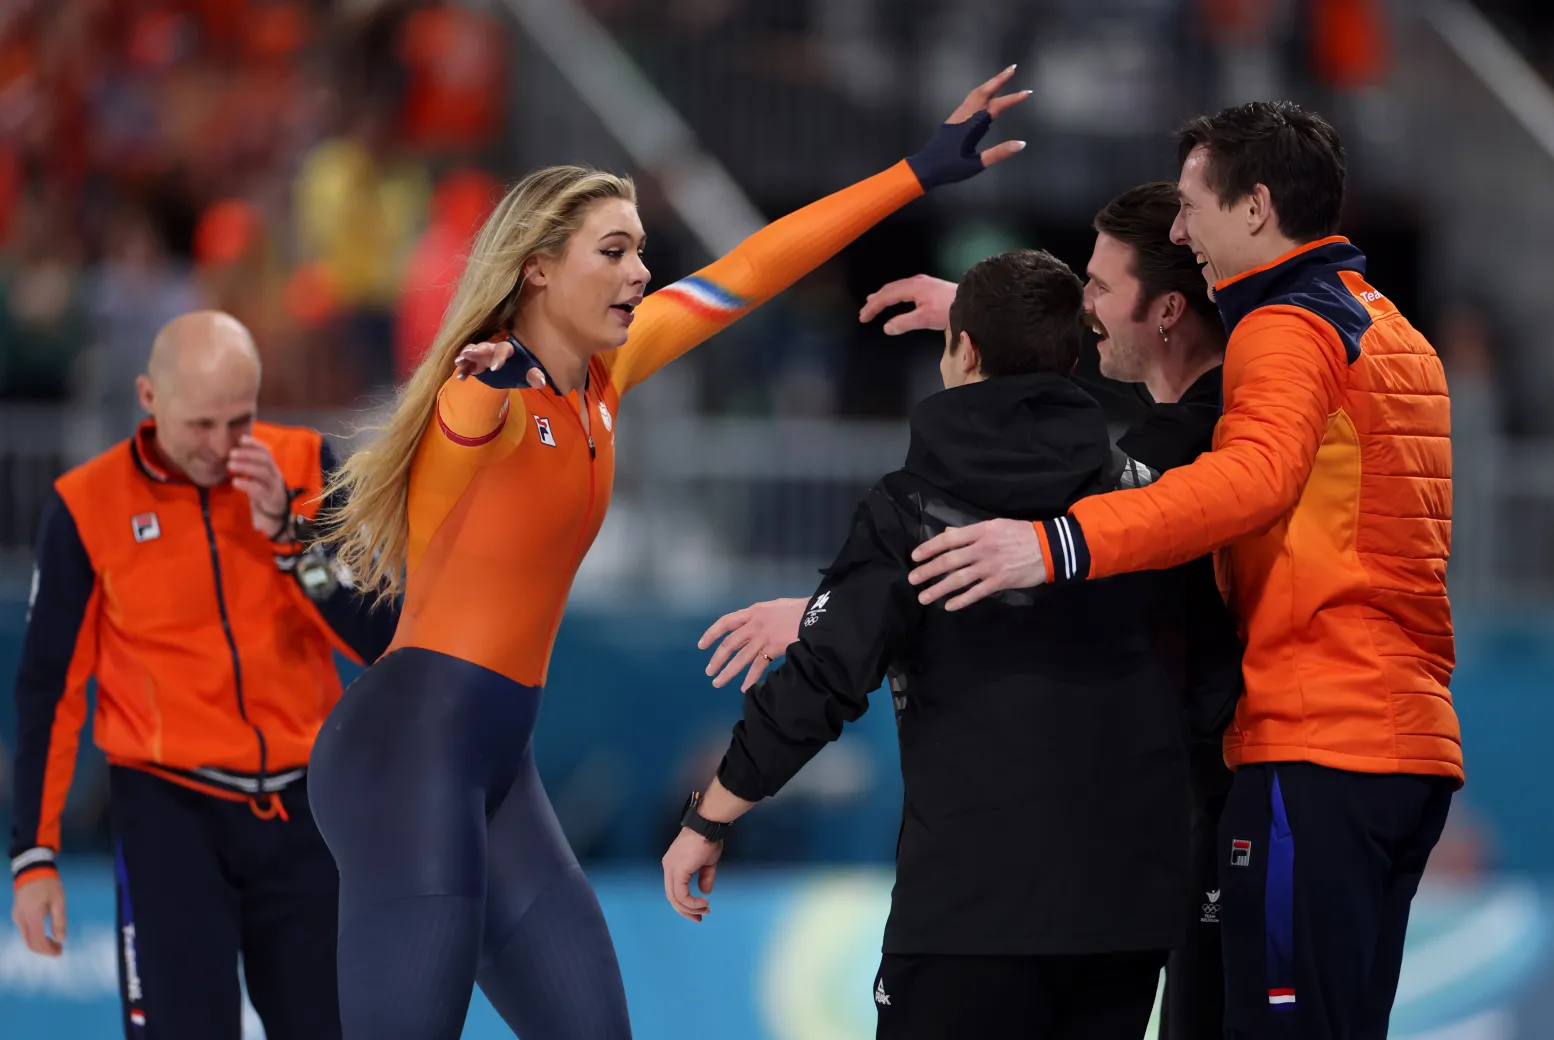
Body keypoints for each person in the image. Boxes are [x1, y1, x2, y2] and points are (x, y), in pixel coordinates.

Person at [309, 68, 1031, 1040]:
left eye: (641, 251)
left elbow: (751, 269)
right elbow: (461, 423)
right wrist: (487, 379)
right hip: (406, 754)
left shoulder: (602, 378)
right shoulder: (488, 395)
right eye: (614, 252)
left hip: (496, 765)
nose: (641, 273)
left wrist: (912, 174)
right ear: (537, 269)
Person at [905, 102, 1462, 1039]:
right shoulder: (1387, 327)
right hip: (1399, 750)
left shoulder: (1284, 328)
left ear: (1255, 208)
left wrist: (1058, 542)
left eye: (1192, 206)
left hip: (1314, 747)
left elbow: (1249, 479)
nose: (1178, 230)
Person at [704, 182, 1242, 1038]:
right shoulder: (1164, 492)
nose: (1093, 308)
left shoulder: (913, 507)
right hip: (1129, 913)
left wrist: (710, 814)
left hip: (969, 914)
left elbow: (827, 674)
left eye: (1100, 288)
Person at [9, 310, 398, 1039]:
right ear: (148, 398)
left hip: (305, 809)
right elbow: (48, 689)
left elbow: (382, 637)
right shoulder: (87, 506)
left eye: (239, 421)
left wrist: (293, 541)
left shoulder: (305, 465)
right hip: (169, 812)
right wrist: (34, 855)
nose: (222, 447)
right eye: (201, 426)